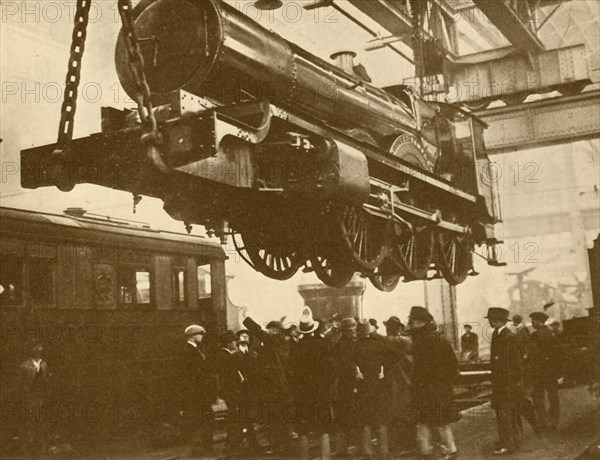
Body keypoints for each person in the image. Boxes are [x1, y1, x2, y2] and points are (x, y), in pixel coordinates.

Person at [406, 306, 458, 460]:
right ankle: (444, 449)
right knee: (436, 420)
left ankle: (434, 450)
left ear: (422, 323)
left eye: (414, 322)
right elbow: (453, 365)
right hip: (436, 388)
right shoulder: (439, 340)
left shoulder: (419, 341)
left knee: (429, 420)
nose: (412, 325)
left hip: (430, 388)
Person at [487, 308, 539, 455]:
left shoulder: (507, 336)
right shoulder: (498, 334)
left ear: (500, 321)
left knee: (506, 415)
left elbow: (514, 364)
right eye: (490, 319)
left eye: (493, 319)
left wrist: (510, 383)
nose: (491, 321)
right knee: (507, 414)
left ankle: (508, 445)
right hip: (502, 383)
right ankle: (510, 442)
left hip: (506, 384)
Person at [243, 316, 296, 453]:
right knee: (280, 416)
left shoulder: (275, 340)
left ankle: (278, 446)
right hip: (279, 383)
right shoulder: (282, 342)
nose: (269, 331)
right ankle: (285, 445)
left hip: (274, 384)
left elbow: (259, 332)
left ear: (277, 330)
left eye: (271, 329)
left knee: (274, 415)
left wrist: (246, 318)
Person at [289, 307, 334, 460]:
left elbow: (291, 372)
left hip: (302, 394)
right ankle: (325, 457)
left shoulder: (296, 347)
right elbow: (329, 370)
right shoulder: (321, 344)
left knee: (303, 429)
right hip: (320, 393)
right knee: (323, 428)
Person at [354, 318, 392, 458]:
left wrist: (356, 370)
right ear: (369, 331)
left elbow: (349, 363)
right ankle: (384, 451)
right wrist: (383, 368)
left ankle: (367, 452)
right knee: (381, 419)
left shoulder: (355, 346)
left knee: (365, 420)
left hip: (363, 387)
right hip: (378, 386)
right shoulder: (379, 345)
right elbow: (396, 356)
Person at [181, 325, 216, 455]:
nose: (201, 336)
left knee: (204, 419)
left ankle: (205, 447)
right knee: (202, 419)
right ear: (193, 336)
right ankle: (202, 449)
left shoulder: (195, 349)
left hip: (200, 392)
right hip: (197, 393)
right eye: (200, 334)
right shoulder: (189, 350)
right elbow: (193, 374)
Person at [383, 316, 414, 456]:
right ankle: (410, 443)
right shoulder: (406, 341)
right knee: (408, 413)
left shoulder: (385, 341)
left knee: (393, 415)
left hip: (391, 383)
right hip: (406, 382)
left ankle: (397, 445)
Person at [331, 317, 360, 457]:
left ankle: (341, 449)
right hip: (352, 384)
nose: (354, 332)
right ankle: (349, 449)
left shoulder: (338, 344)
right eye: (352, 329)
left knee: (343, 418)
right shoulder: (352, 344)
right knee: (352, 416)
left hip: (342, 386)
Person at [529, 312, 560, 430]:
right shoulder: (551, 333)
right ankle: (554, 421)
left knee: (537, 396)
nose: (532, 323)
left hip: (538, 371)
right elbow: (559, 351)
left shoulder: (534, 336)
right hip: (551, 370)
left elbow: (531, 354)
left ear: (538, 321)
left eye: (533, 321)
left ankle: (543, 421)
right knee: (553, 396)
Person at [19, 342, 50, 457]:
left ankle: (41, 451)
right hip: (29, 398)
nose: (38, 349)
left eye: (40, 346)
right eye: (35, 347)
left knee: (41, 423)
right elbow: (20, 384)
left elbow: (46, 382)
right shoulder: (24, 365)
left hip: (41, 398)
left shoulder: (44, 364)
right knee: (29, 423)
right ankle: (27, 451)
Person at [216, 331, 244, 454]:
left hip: (228, 391)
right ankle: (232, 444)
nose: (235, 343)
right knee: (234, 417)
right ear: (229, 343)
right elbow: (231, 376)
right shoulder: (227, 356)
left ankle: (231, 442)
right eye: (233, 341)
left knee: (233, 416)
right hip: (232, 391)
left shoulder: (222, 355)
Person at [233, 329, 260, 451]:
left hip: (252, 389)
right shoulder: (234, 355)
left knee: (249, 416)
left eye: (247, 336)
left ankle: (251, 442)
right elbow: (231, 373)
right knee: (241, 416)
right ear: (237, 340)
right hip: (240, 390)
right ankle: (236, 443)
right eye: (242, 336)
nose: (244, 337)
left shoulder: (254, 355)